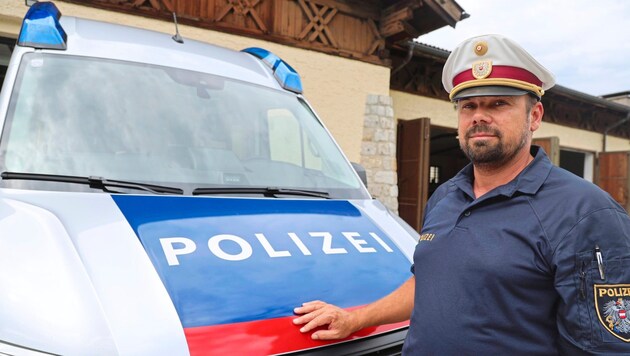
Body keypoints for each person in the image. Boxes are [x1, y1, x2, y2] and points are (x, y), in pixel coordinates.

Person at [293, 34, 630, 354]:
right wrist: (355, 318)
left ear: (534, 117)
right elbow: (428, 283)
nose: (479, 116)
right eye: (468, 106)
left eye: (499, 103)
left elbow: (606, 346)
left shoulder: (585, 213)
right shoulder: (446, 196)